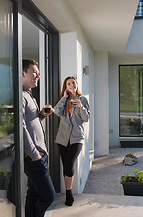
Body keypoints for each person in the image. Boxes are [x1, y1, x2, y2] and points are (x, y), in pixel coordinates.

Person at [22, 59, 55, 217]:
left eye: (38, 73)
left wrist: (42, 114)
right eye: (34, 72)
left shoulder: (29, 95)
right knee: (48, 196)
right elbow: (20, 127)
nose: (38, 75)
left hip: (39, 154)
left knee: (33, 194)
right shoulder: (21, 96)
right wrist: (34, 154)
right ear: (23, 73)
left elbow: (30, 122)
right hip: (34, 157)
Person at [53, 76, 90, 206]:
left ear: (77, 84)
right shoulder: (63, 100)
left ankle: (68, 192)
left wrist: (80, 106)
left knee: (69, 165)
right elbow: (57, 112)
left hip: (76, 137)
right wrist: (63, 98)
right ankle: (69, 192)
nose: (71, 85)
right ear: (66, 87)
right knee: (66, 167)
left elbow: (86, 118)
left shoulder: (83, 99)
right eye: (68, 84)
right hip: (62, 138)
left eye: (73, 83)